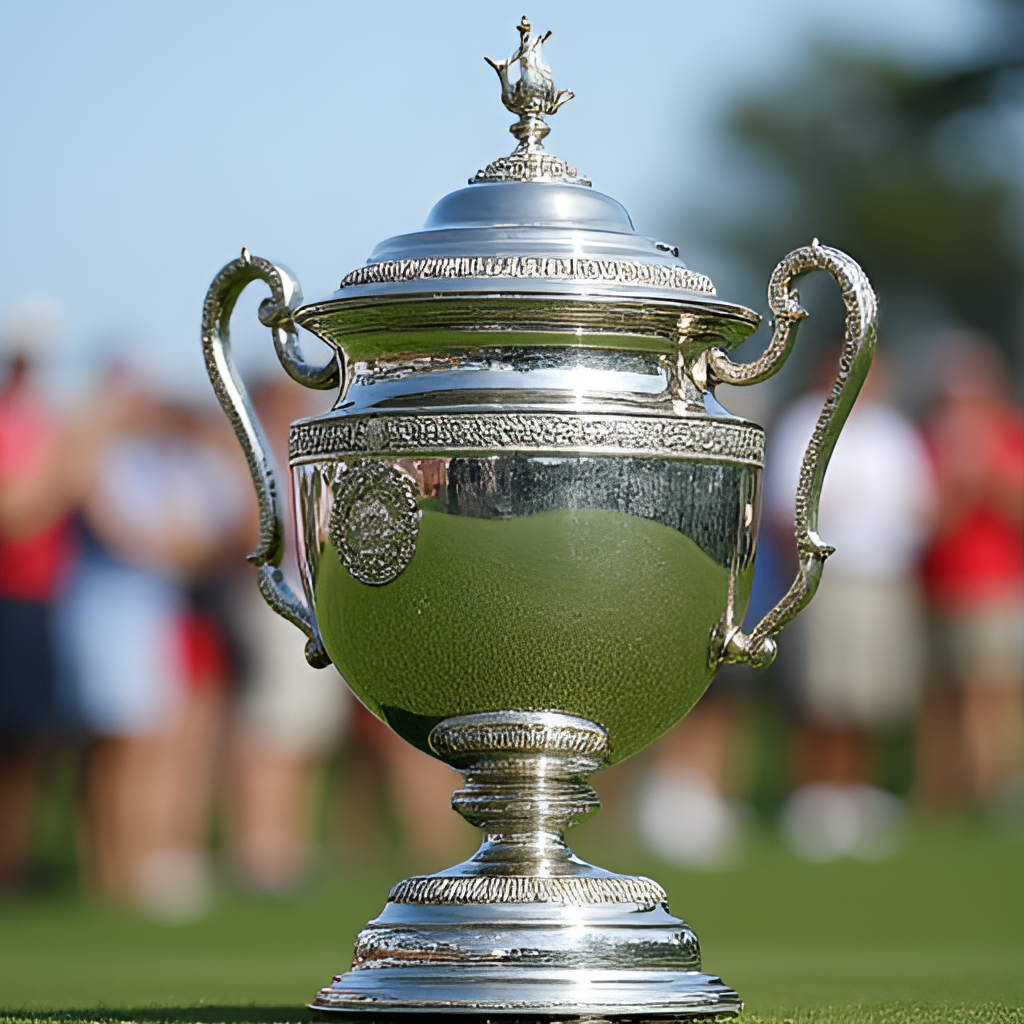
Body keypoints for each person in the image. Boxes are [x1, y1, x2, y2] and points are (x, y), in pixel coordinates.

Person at [59, 378, 250, 917]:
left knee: (157, 747)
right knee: (119, 749)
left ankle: (140, 865)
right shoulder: (107, 457)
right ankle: (110, 873)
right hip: (111, 617)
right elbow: (126, 530)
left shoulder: (166, 461)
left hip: (155, 617)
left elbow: (227, 527)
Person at [767, 353, 934, 861]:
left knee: (869, 695)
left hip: (884, 576)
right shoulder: (806, 421)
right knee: (824, 692)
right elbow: (785, 504)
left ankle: (857, 797)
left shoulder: (894, 432)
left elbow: (922, 506)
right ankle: (815, 798)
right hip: (829, 577)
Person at [225, 376, 351, 892]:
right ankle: (260, 848)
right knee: (271, 729)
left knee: (304, 731)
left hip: (313, 592)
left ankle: (287, 843)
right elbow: (246, 530)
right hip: (273, 593)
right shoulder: (250, 455)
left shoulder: (306, 456)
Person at [915, 332, 1024, 809]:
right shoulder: (928, 439)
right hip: (935, 586)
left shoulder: (1009, 431)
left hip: (994, 585)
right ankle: (945, 793)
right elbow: (924, 518)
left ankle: (995, 789)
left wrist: (987, 472)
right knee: (939, 698)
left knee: (991, 692)